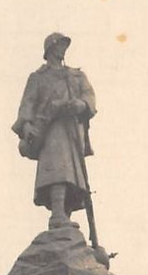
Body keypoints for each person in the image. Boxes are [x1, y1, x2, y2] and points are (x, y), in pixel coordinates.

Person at [12, 33, 96, 230]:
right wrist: (27, 128)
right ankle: (57, 212)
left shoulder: (76, 76)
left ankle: (64, 215)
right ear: (51, 48)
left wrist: (81, 105)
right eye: (60, 45)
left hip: (72, 128)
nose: (63, 49)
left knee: (72, 171)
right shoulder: (38, 78)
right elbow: (27, 107)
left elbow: (89, 98)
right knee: (58, 168)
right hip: (51, 130)